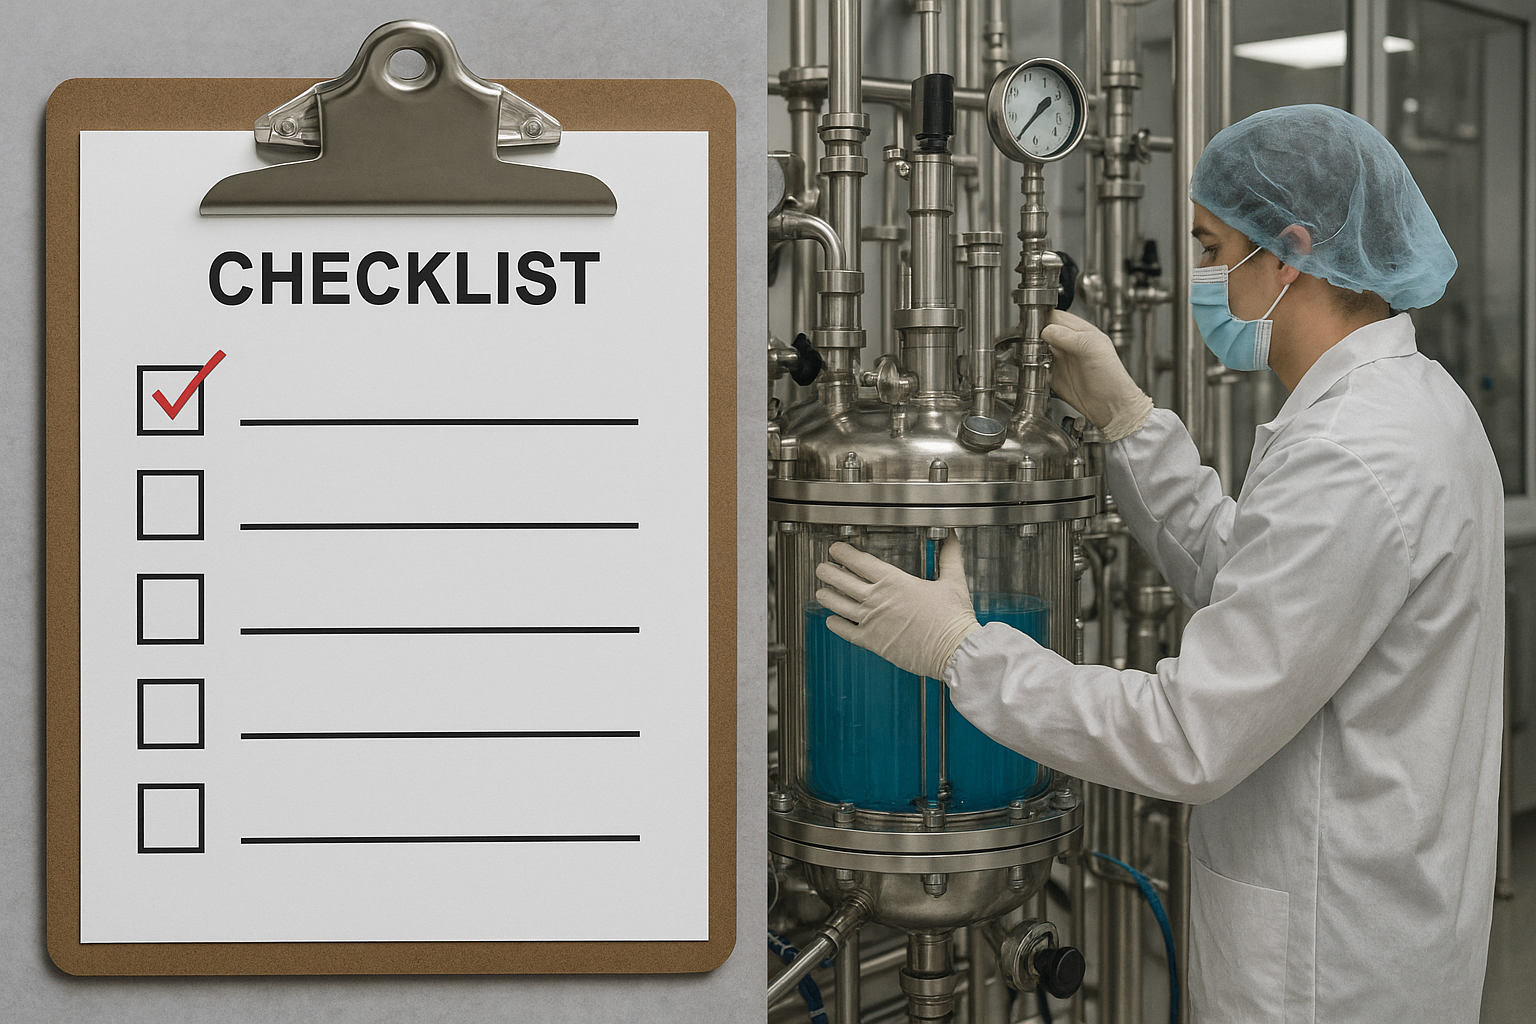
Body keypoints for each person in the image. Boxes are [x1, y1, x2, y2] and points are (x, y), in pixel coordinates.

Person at [813, 104, 1503, 1024]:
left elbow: (1192, 733)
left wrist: (961, 652)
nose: (1204, 277)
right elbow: (1269, 597)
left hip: (1328, 963)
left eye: (1213, 248)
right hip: (1386, 908)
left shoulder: (1354, 452)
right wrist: (1130, 424)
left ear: (1290, 251)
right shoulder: (1415, 407)